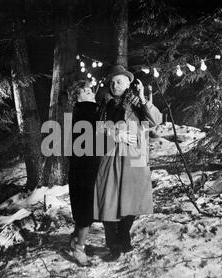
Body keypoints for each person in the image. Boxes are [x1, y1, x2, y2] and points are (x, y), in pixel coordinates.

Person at [93, 65, 162, 260]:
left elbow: (155, 120)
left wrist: (142, 97)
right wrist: (116, 134)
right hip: (111, 156)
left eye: (119, 81)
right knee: (108, 200)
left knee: (133, 200)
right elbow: (96, 129)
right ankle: (113, 245)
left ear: (128, 83)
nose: (115, 85)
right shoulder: (105, 104)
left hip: (134, 158)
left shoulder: (137, 103)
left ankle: (123, 236)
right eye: (113, 82)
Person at [67, 80, 100, 266]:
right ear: (77, 97)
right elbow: (102, 133)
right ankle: (79, 248)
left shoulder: (82, 112)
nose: (91, 93)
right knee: (85, 209)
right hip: (85, 169)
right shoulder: (86, 111)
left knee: (83, 207)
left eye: (90, 90)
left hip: (82, 168)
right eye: (86, 91)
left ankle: (75, 240)